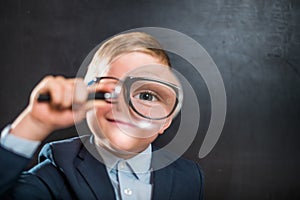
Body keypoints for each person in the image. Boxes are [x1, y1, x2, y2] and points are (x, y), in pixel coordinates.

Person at [0, 32, 204, 199]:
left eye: (146, 95)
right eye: (110, 90)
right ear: (87, 99)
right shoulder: (57, 169)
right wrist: (35, 124)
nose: (124, 106)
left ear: (166, 120)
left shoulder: (189, 177)